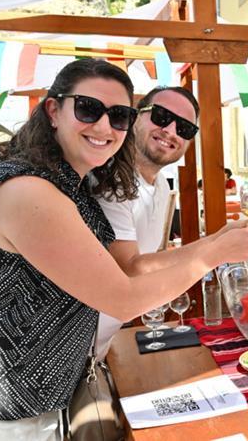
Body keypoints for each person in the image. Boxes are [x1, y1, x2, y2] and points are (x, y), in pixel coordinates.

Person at [0, 59, 248, 441]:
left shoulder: (68, 183)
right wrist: (213, 255)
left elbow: (126, 265)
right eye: (88, 108)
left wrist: (215, 242)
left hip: (26, 396)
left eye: (119, 116)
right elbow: (122, 298)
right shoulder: (29, 190)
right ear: (53, 110)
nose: (104, 126)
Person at [95, 85, 203, 360]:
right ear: (134, 117)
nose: (171, 131)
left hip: (103, 343)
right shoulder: (111, 178)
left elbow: (150, 258)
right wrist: (216, 249)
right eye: (162, 116)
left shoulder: (164, 186)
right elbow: (129, 270)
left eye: (185, 129)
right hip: (64, 345)